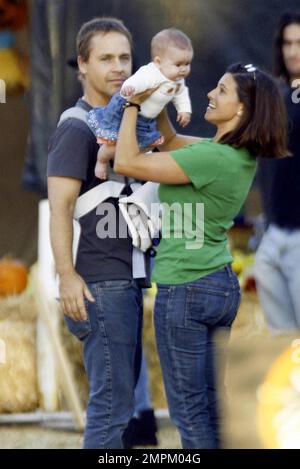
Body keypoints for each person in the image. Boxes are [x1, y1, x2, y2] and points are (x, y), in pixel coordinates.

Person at [112, 62, 289, 448]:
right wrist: (160, 101)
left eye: (222, 91)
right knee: (212, 407)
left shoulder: (213, 159)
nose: (210, 93)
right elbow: (172, 141)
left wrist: (130, 104)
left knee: (190, 413)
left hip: (186, 287)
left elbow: (126, 162)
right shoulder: (230, 154)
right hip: (218, 286)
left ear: (241, 109)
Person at [47, 17, 147, 449]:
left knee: (120, 408)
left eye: (124, 57)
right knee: (111, 410)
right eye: (106, 58)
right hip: (99, 284)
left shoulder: (128, 123)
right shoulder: (77, 127)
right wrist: (67, 275)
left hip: (124, 280)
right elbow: (60, 208)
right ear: (82, 65)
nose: (119, 67)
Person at [86, 28, 193, 179]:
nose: (183, 69)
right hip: (125, 110)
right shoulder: (151, 73)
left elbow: (181, 95)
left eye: (187, 64)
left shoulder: (178, 80)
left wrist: (184, 111)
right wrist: (131, 88)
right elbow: (137, 81)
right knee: (113, 146)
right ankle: (101, 160)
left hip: (145, 119)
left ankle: (129, 163)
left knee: (147, 144)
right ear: (158, 62)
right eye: (178, 64)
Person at [255, 12, 300, 333]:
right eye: (287, 43)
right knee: (282, 346)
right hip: (272, 234)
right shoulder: (277, 95)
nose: (293, 50)